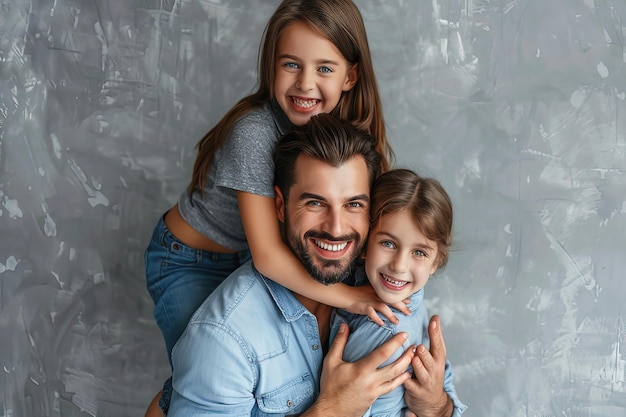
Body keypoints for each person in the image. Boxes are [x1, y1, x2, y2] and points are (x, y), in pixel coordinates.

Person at [145, 1, 406, 413]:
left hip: (255, 252)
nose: (305, 84)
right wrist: (351, 298)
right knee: (199, 364)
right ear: (271, 67)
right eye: (291, 65)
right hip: (192, 260)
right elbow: (268, 257)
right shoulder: (254, 134)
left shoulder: (345, 133)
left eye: (324, 68)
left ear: (351, 75)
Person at [167, 114, 457, 417]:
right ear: (280, 206)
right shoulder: (223, 340)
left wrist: (436, 406)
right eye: (315, 203)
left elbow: (443, 400)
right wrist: (332, 410)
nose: (335, 228)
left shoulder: (385, 287)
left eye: (353, 204)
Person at [330, 169, 468, 416]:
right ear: (364, 244)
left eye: (419, 252)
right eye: (388, 243)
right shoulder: (412, 297)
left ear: (436, 261)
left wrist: (437, 406)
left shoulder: (384, 329)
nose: (399, 266)